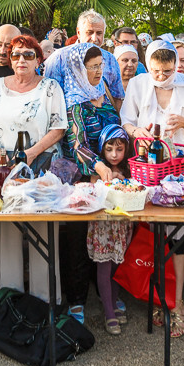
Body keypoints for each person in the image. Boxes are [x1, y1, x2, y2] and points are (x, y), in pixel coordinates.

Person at [120, 40, 184, 337]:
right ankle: (158, 295)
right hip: (149, 170)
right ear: (149, 65)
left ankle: (178, 302)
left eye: (168, 71)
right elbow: (126, 123)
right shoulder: (137, 85)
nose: (162, 76)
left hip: (183, 173)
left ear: (177, 66)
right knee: (153, 235)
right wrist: (139, 132)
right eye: (157, 71)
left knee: (179, 237)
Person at [0, 35, 66, 307]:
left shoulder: (50, 87)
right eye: (16, 55)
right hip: (2, 169)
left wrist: (29, 154)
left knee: (43, 230)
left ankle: (45, 302)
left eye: (28, 55)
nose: (21, 60)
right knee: (7, 232)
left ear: (39, 59)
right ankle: (7, 302)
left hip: (39, 165)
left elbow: (58, 127)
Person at [57, 43, 123, 324]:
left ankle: (108, 292)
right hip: (81, 181)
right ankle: (76, 300)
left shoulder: (102, 94)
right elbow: (74, 143)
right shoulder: (73, 101)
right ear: (77, 69)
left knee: (107, 238)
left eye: (101, 65)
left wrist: (116, 166)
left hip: (109, 179)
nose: (99, 71)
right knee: (77, 241)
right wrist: (97, 166)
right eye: (92, 66)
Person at [87, 125, 133, 334]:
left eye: (119, 149)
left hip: (122, 226)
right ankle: (109, 312)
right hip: (103, 227)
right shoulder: (97, 173)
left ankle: (113, 302)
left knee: (117, 266)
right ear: (102, 150)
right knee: (104, 266)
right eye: (109, 149)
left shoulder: (130, 170)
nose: (114, 155)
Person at [44, 10, 127, 112]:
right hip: (70, 124)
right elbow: (50, 98)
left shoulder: (110, 59)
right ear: (78, 32)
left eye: (99, 33)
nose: (94, 38)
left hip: (106, 124)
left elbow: (117, 97)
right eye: (90, 32)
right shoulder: (59, 58)